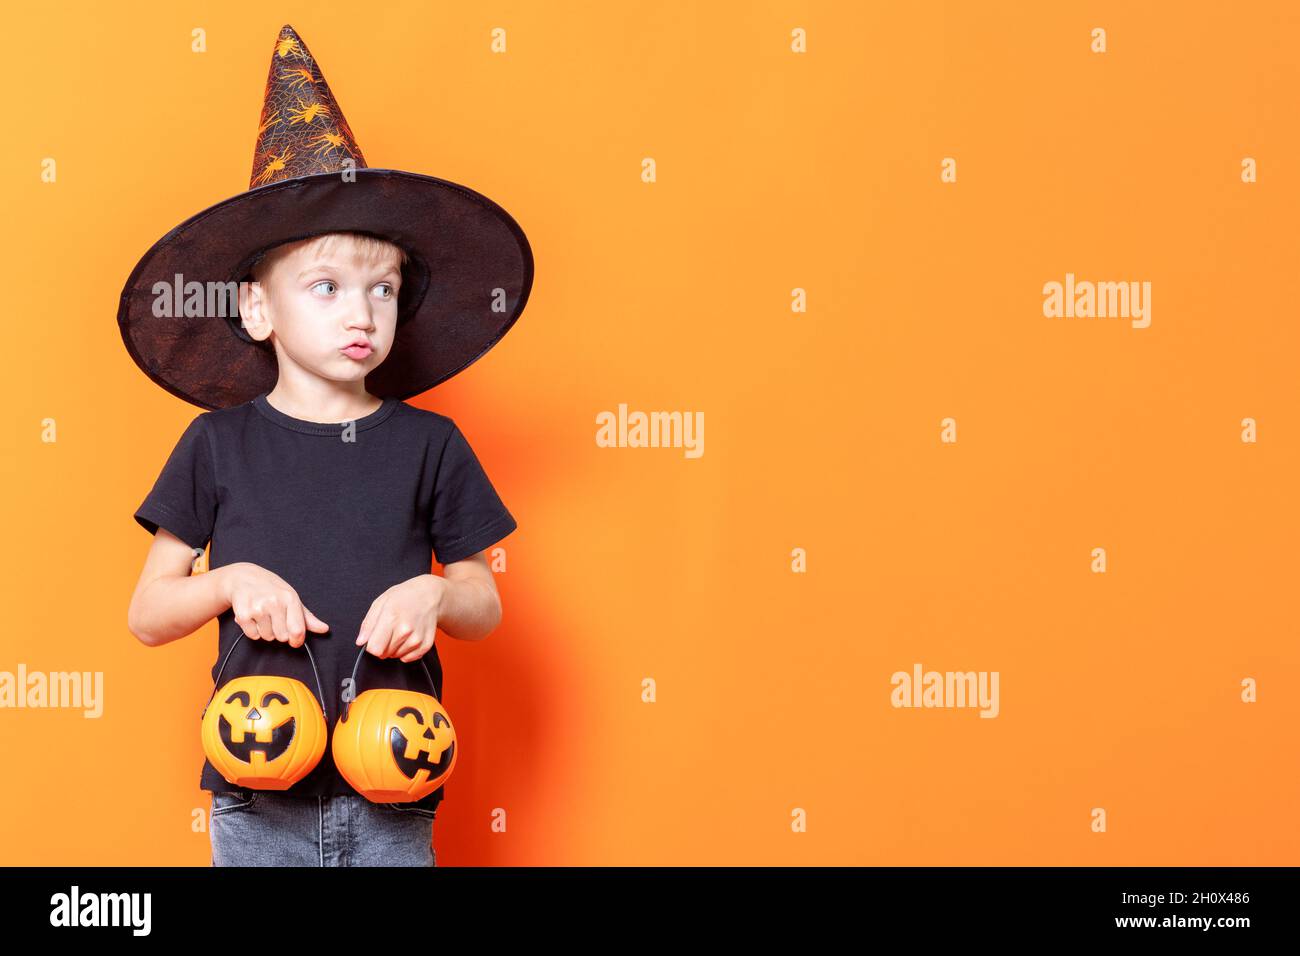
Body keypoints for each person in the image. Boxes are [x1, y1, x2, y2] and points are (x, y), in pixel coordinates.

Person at [120, 24, 533, 866]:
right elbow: (148, 615)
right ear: (257, 311)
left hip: (394, 788)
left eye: (382, 289)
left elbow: (484, 607)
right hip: (256, 787)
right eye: (326, 286)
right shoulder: (216, 444)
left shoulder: (431, 443)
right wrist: (227, 581)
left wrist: (436, 597)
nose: (362, 313)